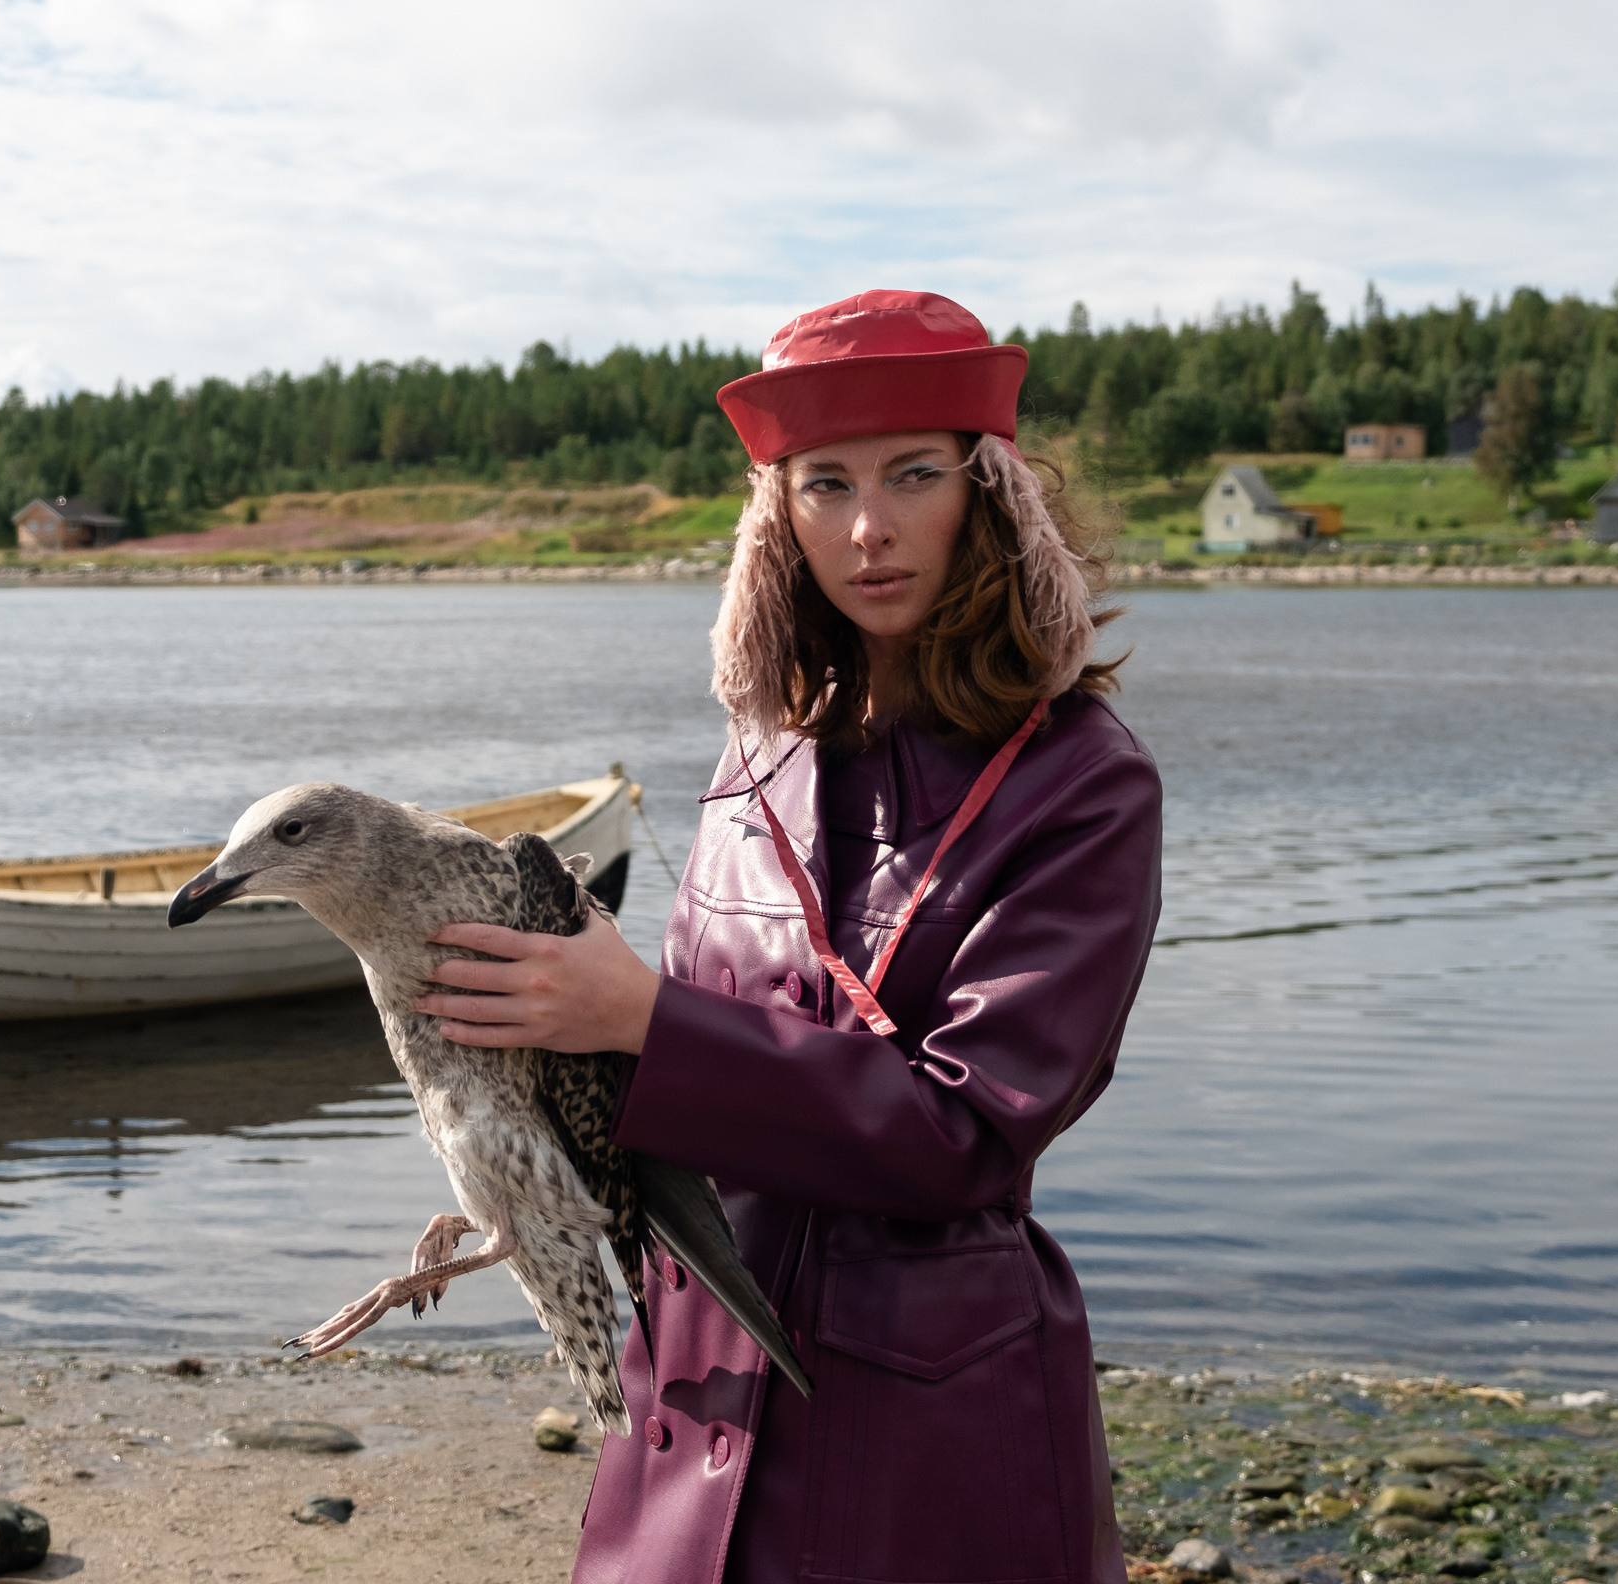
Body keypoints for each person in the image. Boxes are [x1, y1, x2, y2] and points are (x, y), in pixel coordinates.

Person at [413, 288, 1162, 1584]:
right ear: (779, 516)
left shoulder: (1086, 787)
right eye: (826, 484)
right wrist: (515, 1128)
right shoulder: (757, 754)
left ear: (989, 493)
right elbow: (651, 1076)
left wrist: (638, 1017)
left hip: (930, 1421)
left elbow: (966, 1136)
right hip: (693, 1367)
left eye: (913, 475)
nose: (869, 529)